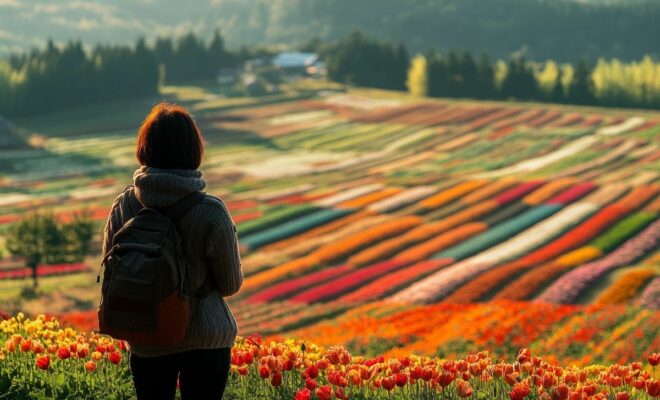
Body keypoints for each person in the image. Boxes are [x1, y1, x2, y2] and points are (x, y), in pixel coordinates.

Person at [101, 102, 243, 400]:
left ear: (145, 148)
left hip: (147, 334)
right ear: (194, 150)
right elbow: (231, 284)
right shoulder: (211, 211)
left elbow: (111, 275)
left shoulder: (124, 206)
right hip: (207, 339)